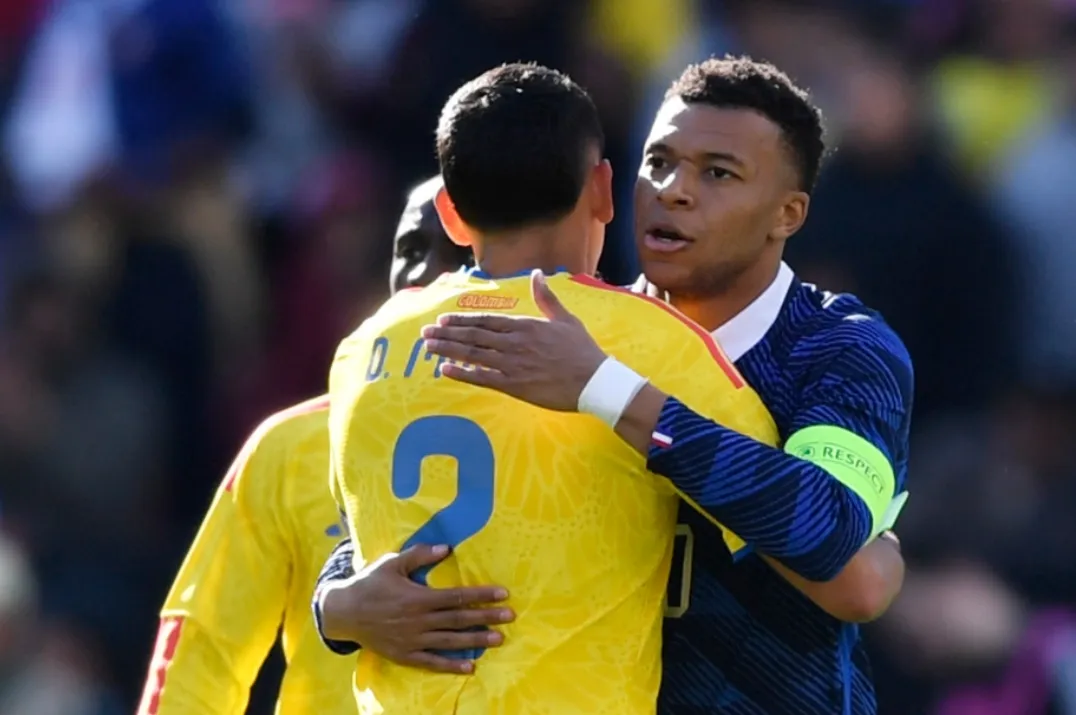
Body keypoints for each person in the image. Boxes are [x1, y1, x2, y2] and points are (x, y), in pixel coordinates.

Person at [317, 57, 913, 714]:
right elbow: (435, 505)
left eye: (717, 172)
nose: (673, 190)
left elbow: (837, 550)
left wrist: (607, 389)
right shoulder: (569, 331)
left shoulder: (841, 348)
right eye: (657, 162)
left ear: (787, 213)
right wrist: (339, 602)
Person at [136, 176, 491, 715]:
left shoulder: (569, 432)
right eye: (408, 252)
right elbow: (205, 648)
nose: (424, 276)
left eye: (457, 253)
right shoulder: (290, 446)